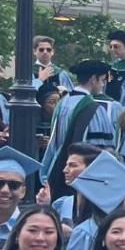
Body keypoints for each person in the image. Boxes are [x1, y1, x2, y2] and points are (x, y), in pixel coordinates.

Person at [42, 60, 116, 194]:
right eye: (103, 80)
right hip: (81, 177)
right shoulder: (94, 108)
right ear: (94, 79)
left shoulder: (62, 103)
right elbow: (99, 148)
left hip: (58, 170)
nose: (103, 85)